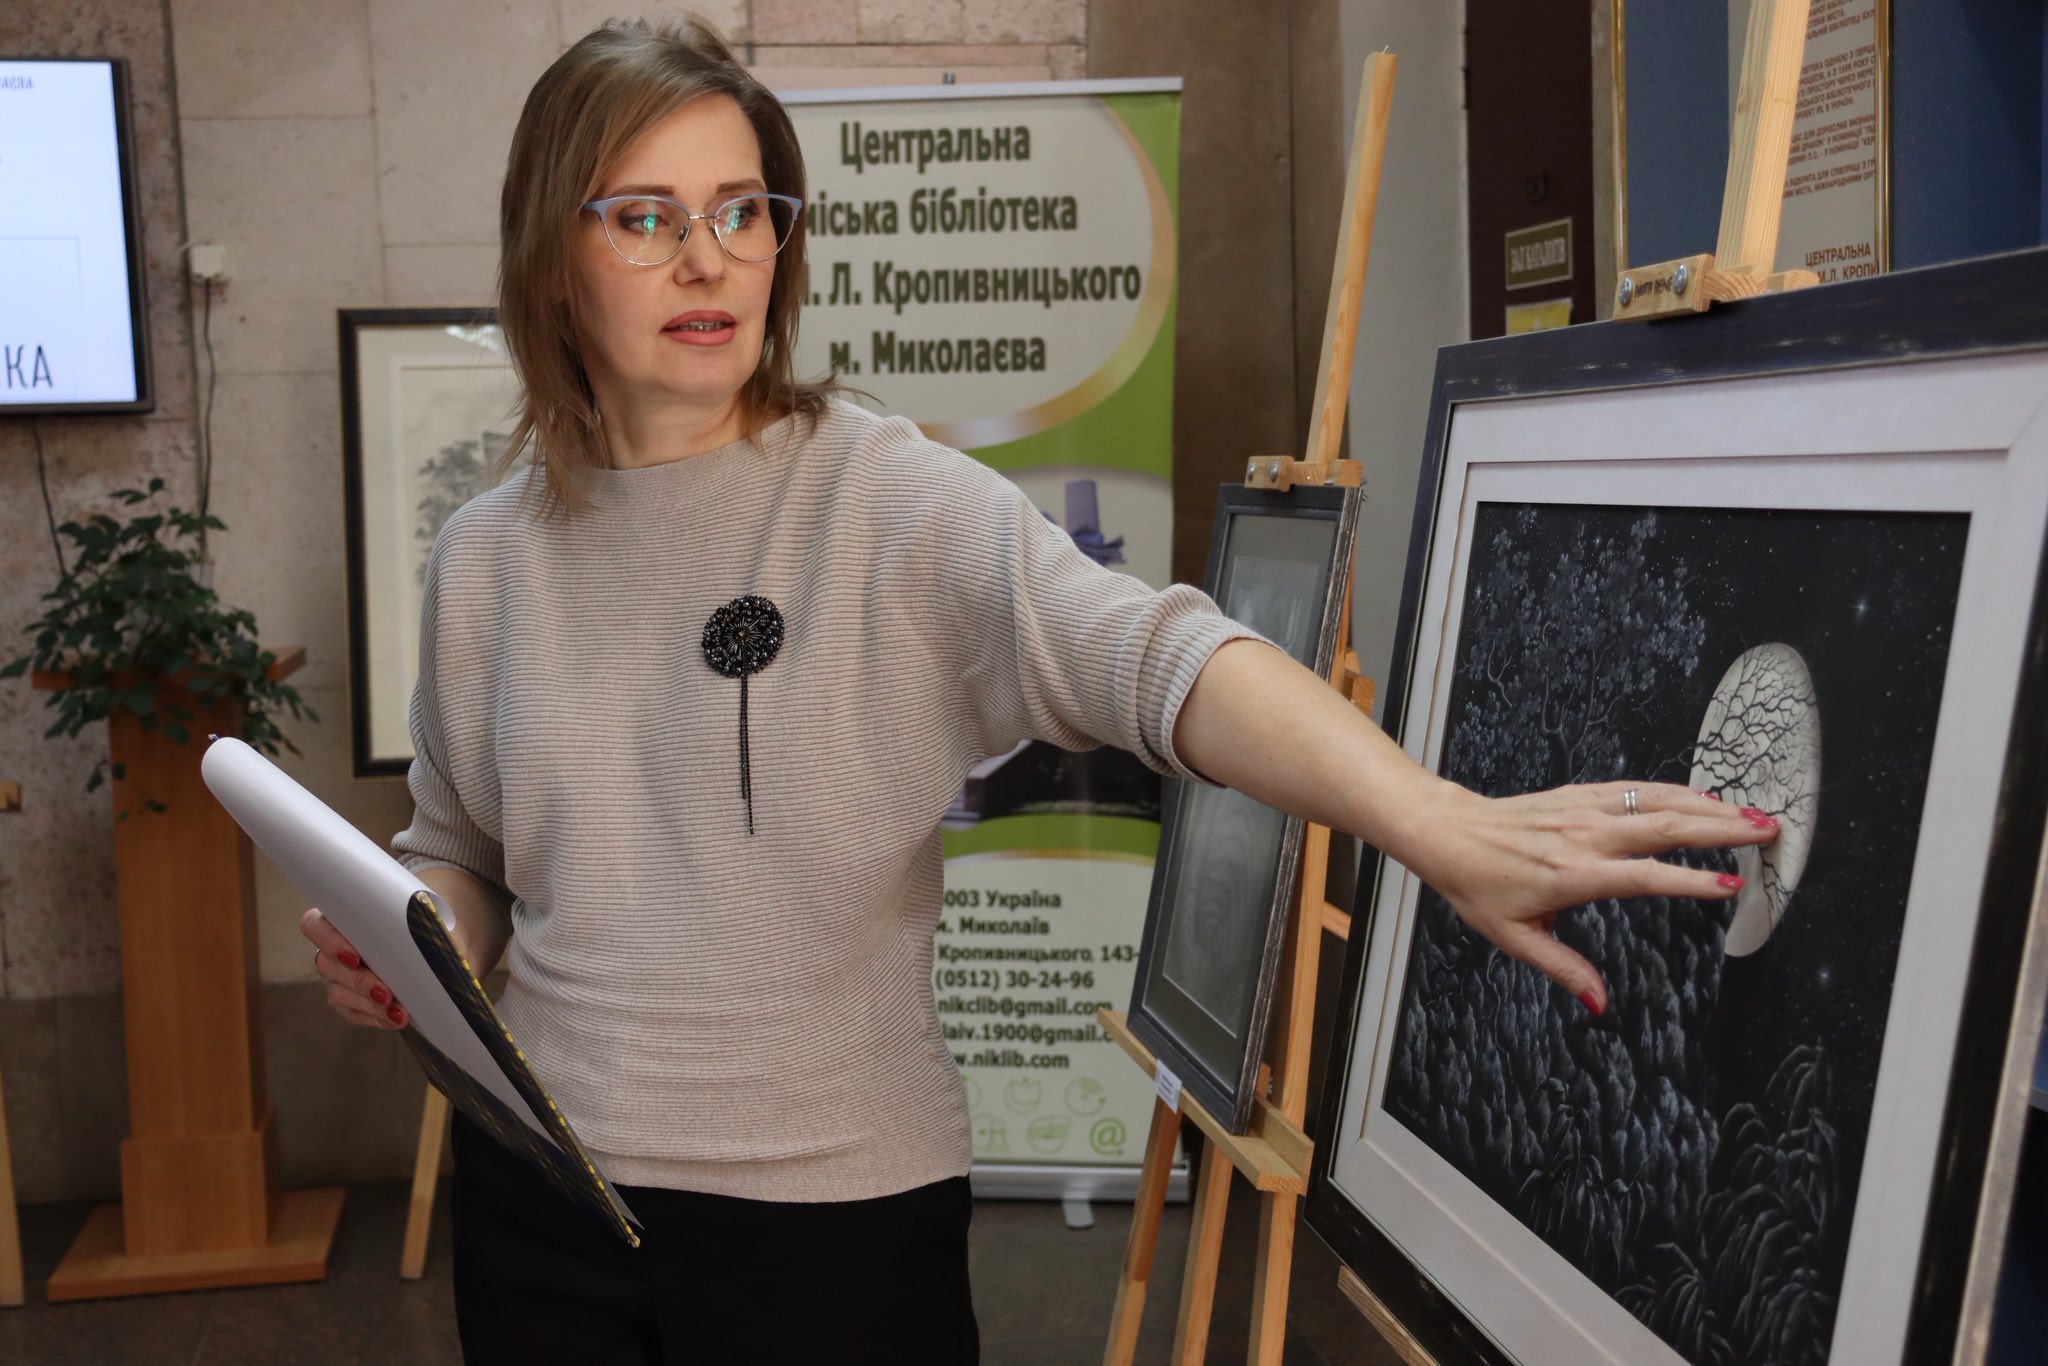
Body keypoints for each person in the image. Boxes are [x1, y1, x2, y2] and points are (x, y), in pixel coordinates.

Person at [300, 18, 1777, 1365]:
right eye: (647, 217)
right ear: (552, 257)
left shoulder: (882, 499)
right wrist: (420, 935)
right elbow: (465, 851)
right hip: (542, 1193)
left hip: (828, 1220)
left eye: (744, 210)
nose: (710, 258)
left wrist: (1432, 818)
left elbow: (1164, 658)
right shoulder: (486, 556)